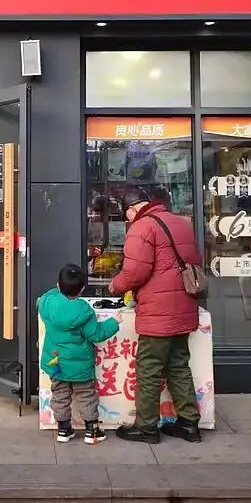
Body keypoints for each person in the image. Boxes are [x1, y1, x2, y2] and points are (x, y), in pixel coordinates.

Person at [109, 188, 203, 444]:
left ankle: (146, 427)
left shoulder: (141, 227)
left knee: (149, 367)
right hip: (184, 305)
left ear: (131, 209)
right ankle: (189, 424)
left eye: (126, 215)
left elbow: (135, 272)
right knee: (178, 365)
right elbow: (194, 259)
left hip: (159, 311)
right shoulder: (180, 222)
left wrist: (115, 285)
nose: (127, 220)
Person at [39, 264, 122, 445]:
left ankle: (63, 429)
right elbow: (96, 334)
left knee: (60, 395)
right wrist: (114, 322)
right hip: (80, 366)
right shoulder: (84, 311)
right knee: (86, 396)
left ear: (58, 285)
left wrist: (59, 288)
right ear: (83, 289)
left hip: (56, 363)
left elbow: (46, 297)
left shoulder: (47, 303)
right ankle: (92, 431)